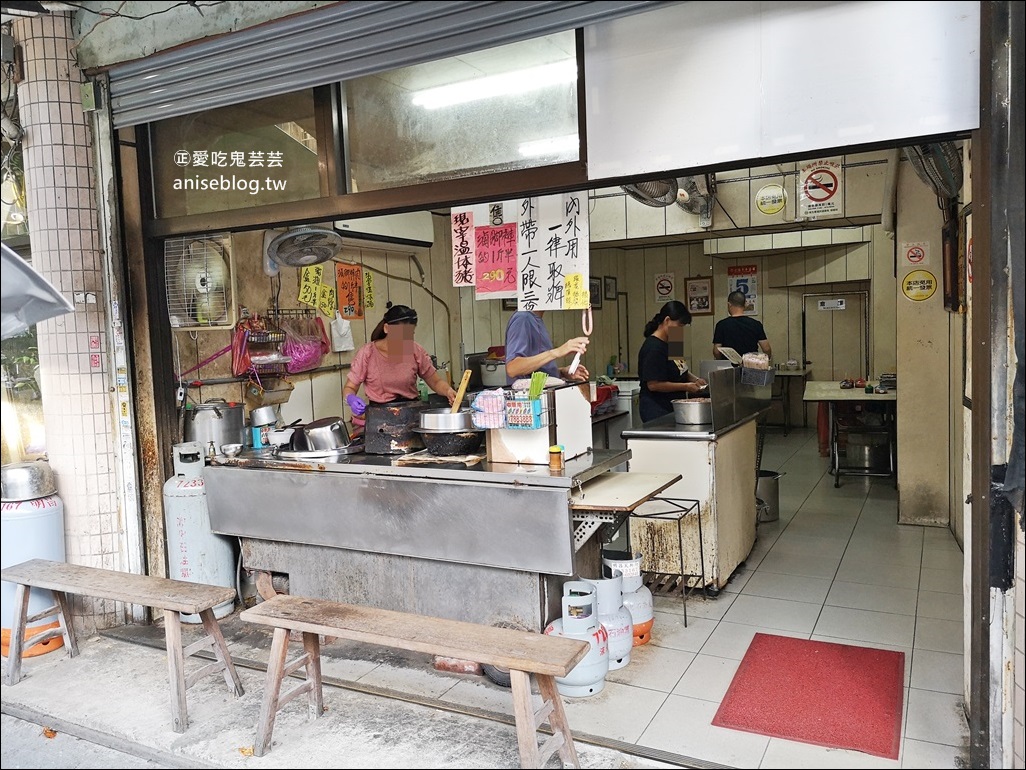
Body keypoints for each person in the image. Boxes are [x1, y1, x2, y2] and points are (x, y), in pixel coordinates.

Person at [342, 304, 457, 424]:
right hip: (379, 421)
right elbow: (349, 387)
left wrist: (448, 391)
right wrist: (351, 399)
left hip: (411, 417)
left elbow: (435, 381)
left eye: (409, 335)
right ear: (386, 328)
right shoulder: (367, 353)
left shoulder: (414, 350)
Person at [638, 301, 708, 423]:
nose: (680, 330)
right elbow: (653, 385)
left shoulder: (674, 339)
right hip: (656, 408)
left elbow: (681, 369)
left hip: (674, 406)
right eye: (679, 326)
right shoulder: (653, 347)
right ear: (667, 320)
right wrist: (686, 386)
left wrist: (695, 380)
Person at [503, 309, 590, 385]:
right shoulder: (523, 318)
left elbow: (537, 370)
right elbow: (513, 368)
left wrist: (561, 372)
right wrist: (556, 352)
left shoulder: (535, 319)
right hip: (531, 400)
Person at [712, 290, 772, 360]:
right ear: (745, 305)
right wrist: (765, 360)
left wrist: (721, 361)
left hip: (728, 367)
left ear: (729, 304)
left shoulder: (721, 325)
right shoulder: (755, 324)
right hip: (750, 366)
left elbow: (716, 351)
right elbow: (766, 348)